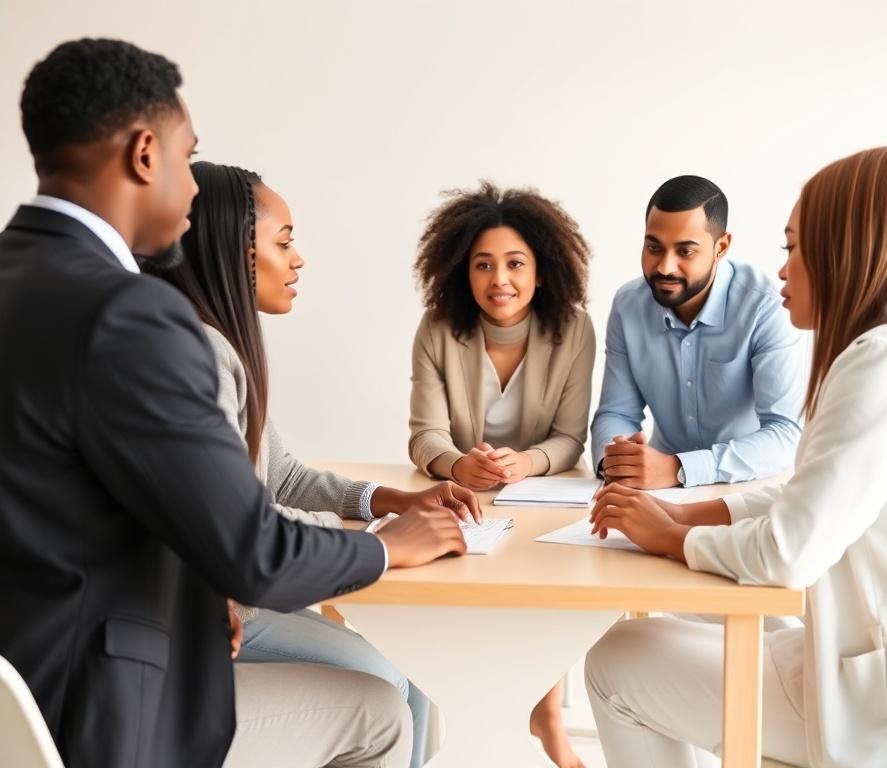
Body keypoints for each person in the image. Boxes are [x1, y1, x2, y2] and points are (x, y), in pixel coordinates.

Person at [0, 38, 468, 768]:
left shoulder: (18, 278)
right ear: (144, 154)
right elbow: (257, 555)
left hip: (20, 688)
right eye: (188, 159)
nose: (192, 189)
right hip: (102, 710)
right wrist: (387, 546)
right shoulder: (132, 318)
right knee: (380, 711)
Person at [585, 133, 887, 767]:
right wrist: (693, 515)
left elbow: (787, 554)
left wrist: (670, 539)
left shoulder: (884, 363)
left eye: (794, 247)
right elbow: (818, 491)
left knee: (618, 659)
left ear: (847, 250)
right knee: (704, 622)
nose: (783, 270)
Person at [147, 161, 483, 768]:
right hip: (202, 621)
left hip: (224, 607)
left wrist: (387, 502)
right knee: (392, 695)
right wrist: (387, 542)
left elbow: (284, 478)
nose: (298, 259)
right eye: (283, 242)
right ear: (232, 251)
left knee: (407, 683)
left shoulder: (220, 343)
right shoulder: (198, 351)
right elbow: (243, 527)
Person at [409, 181, 595, 767]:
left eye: (516, 264)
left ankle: (547, 717)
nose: (499, 281)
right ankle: (449, 723)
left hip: (545, 497)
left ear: (542, 271)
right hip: (464, 496)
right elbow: (424, 435)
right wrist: (460, 463)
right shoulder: (438, 327)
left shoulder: (573, 328)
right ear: (462, 272)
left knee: (555, 585)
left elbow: (570, 439)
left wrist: (527, 462)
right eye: (483, 265)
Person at [590, 175, 806, 489]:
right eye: (654, 247)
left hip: (747, 490)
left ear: (721, 247)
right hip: (660, 493)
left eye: (685, 251)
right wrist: (617, 456)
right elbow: (616, 411)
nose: (665, 267)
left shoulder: (766, 307)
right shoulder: (628, 306)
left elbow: (785, 435)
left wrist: (679, 468)